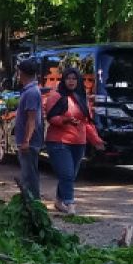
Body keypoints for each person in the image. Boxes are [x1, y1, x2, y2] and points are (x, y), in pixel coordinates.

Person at [44, 67, 105, 214]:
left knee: (70, 175)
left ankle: (59, 201)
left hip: (79, 143)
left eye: (74, 78)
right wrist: (64, 120)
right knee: (67, 174)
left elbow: (87, 122)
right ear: (63, 80)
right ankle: (70, 203)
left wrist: (96, 140)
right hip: (59, 141)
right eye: (68, 78)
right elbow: (51, 117)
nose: (71, 81)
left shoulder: (81, 98)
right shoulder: (56, 96)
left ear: (78, 81)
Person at [13, 58, 44, 200]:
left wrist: (26, 140)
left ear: (22, 73)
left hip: (30, 142)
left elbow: (32, 119)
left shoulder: (31, 92)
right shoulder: (29, 91)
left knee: (29, 176)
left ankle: (33, 204)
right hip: (28, 141)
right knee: (28, 173)